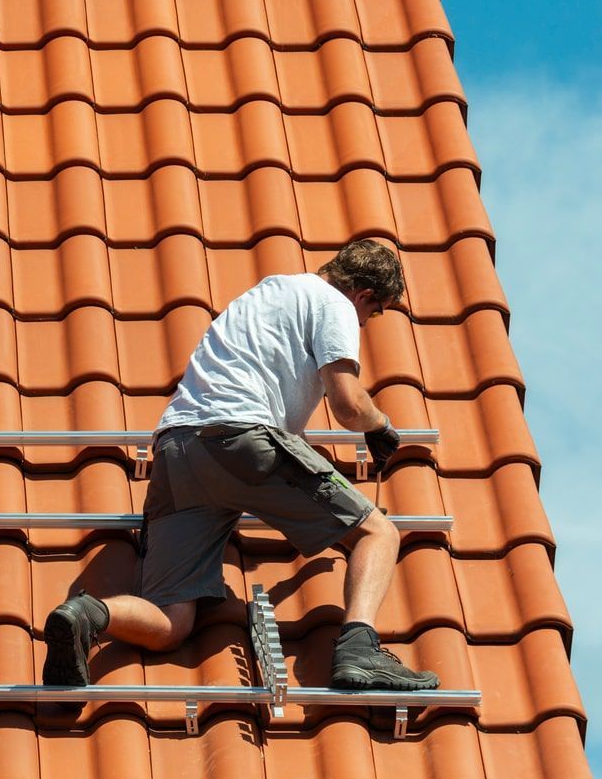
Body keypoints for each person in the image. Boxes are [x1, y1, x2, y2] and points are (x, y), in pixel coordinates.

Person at [42, 240, 440, 692]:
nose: (368, 321)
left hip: (177, 451)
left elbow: (280, 421)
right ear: (366, 295)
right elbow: (348, 405)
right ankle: (360, 650)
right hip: (240, 440)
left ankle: (89, 614)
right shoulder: (335, 304)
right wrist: (380, 425)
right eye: (376, 312)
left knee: (172, 620)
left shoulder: (268, 293)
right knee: (378, 533)